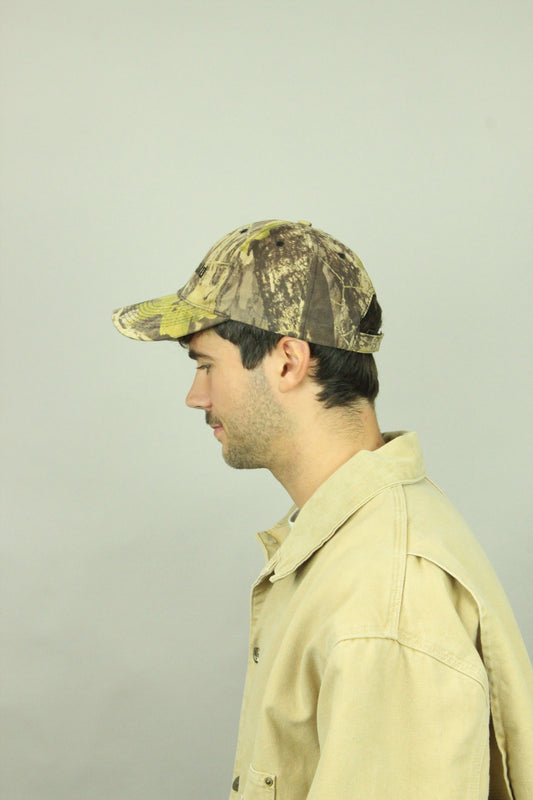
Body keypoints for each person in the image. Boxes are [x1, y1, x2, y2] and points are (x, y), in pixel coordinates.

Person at [112, 219, 533, 799]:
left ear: (288, 360)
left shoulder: (383, 598)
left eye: (206, 365)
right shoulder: (350, 544)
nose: (195, 396)